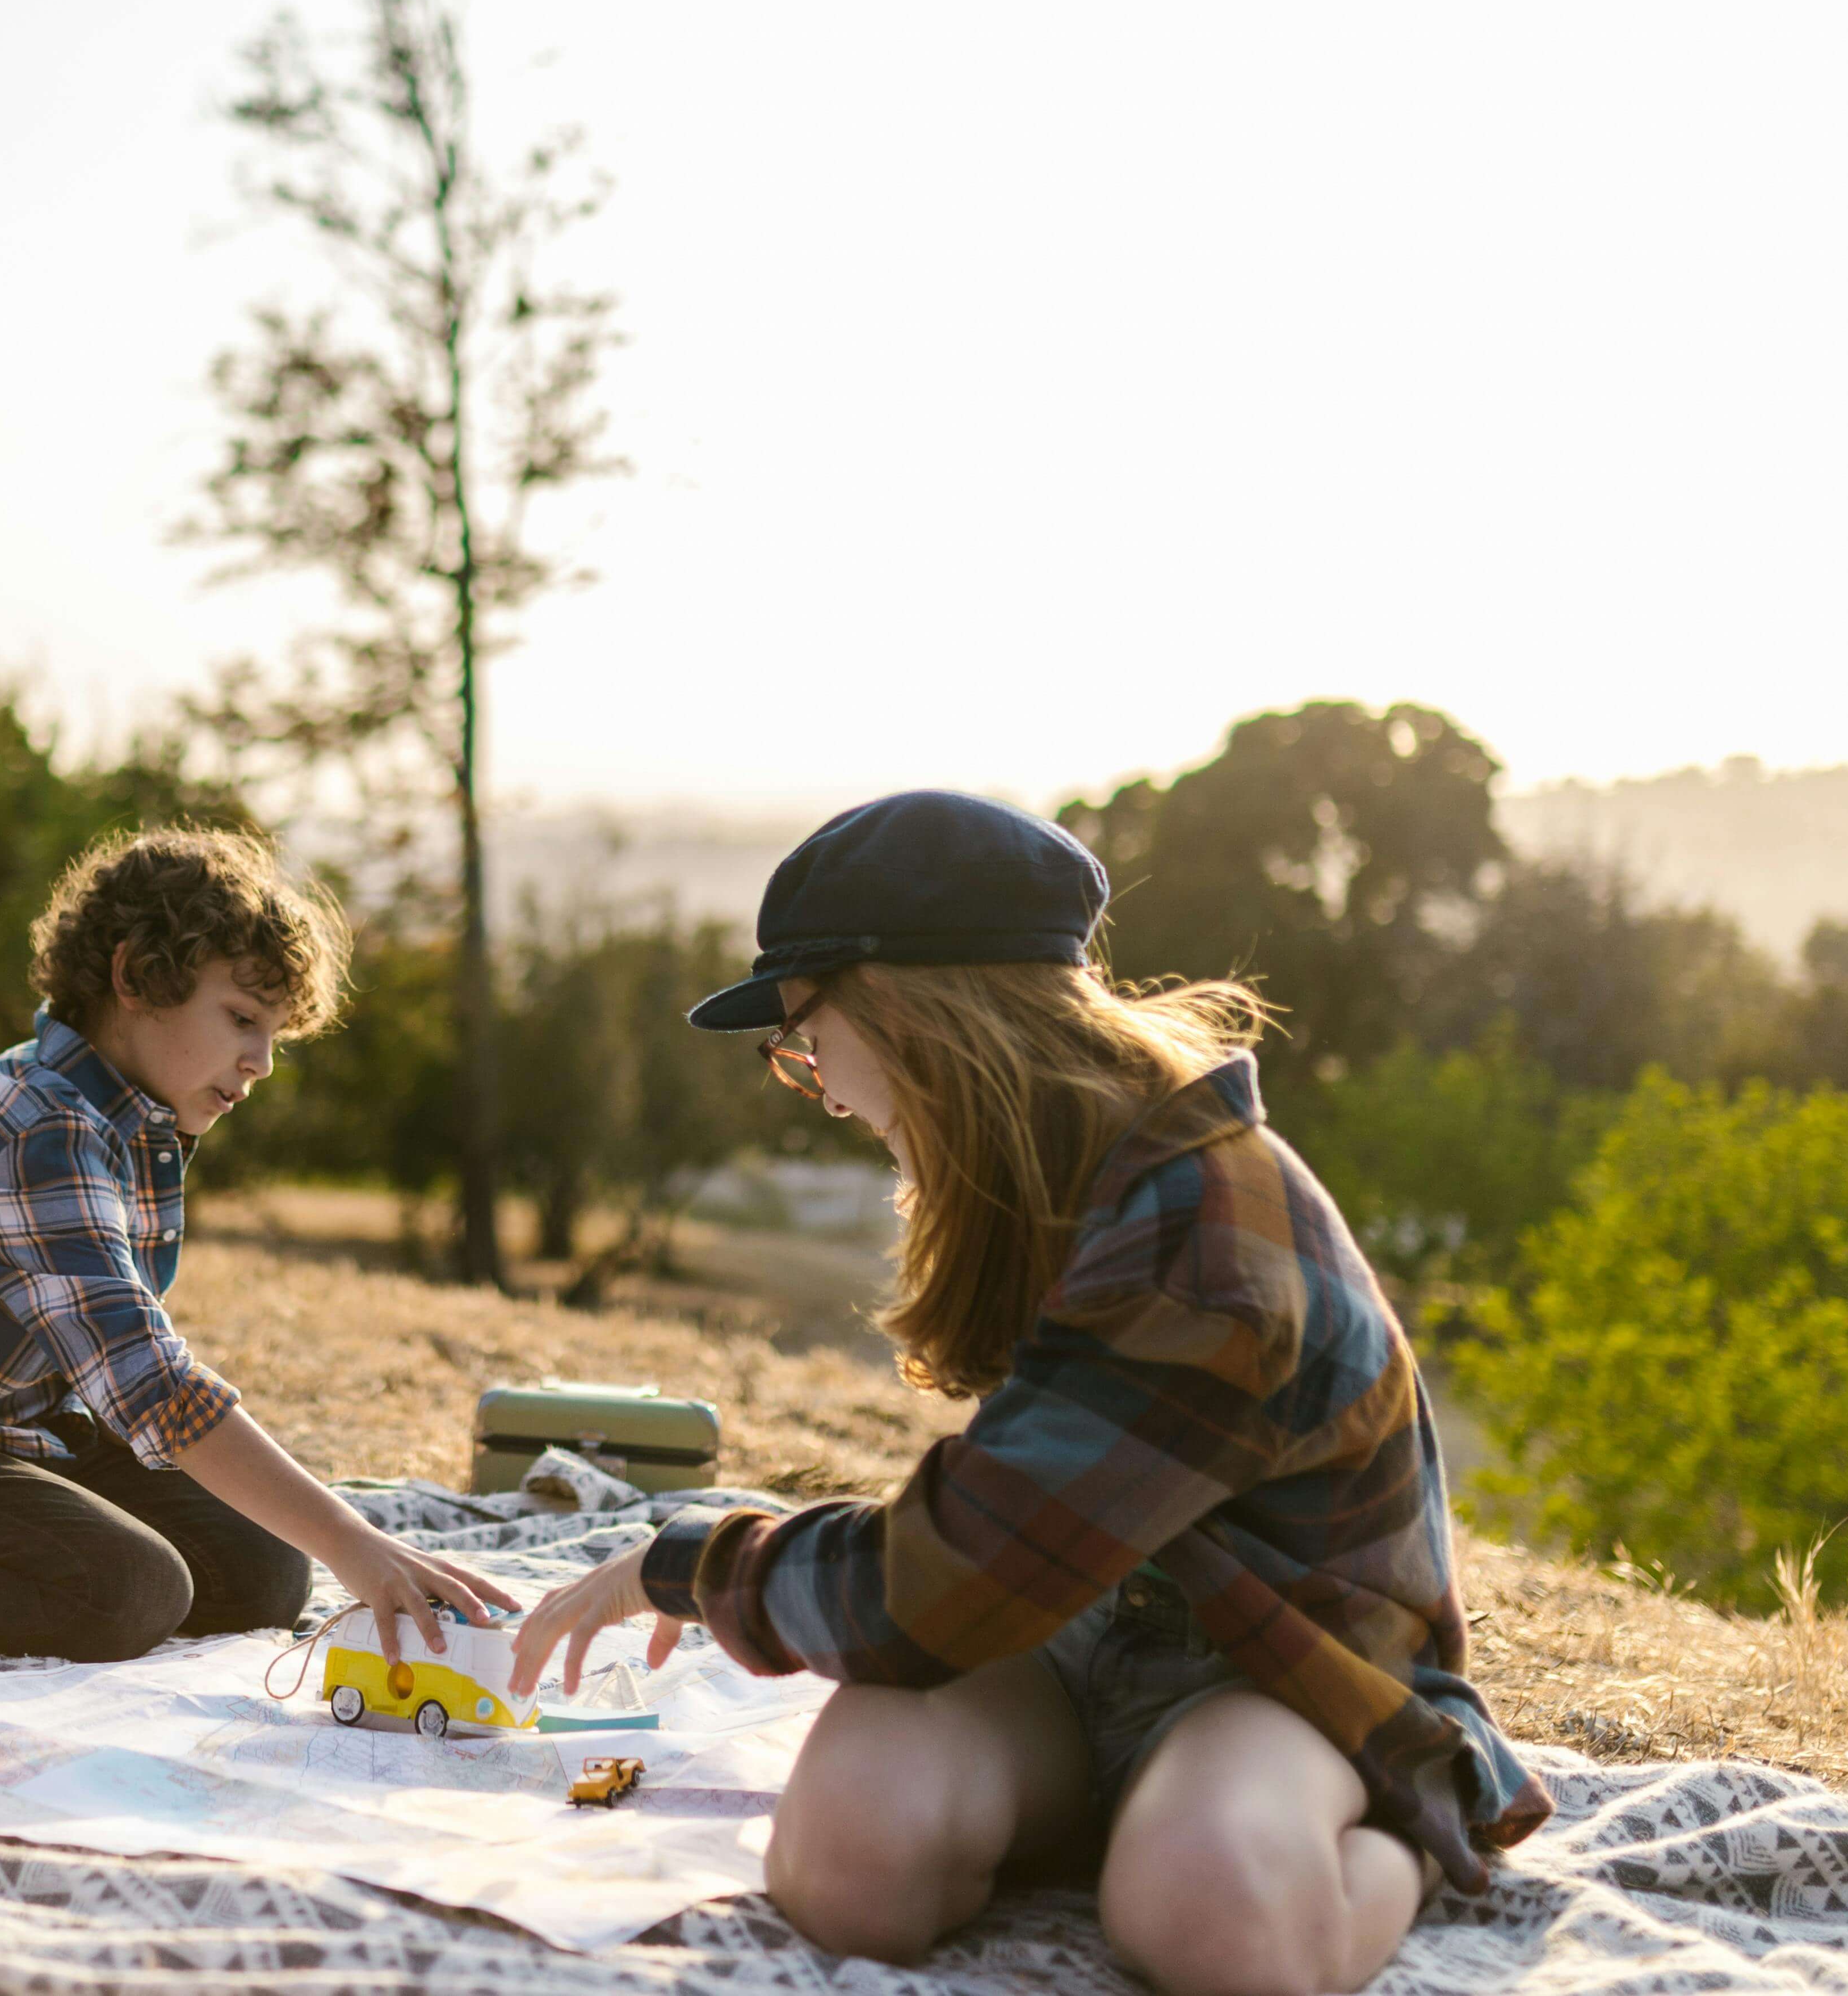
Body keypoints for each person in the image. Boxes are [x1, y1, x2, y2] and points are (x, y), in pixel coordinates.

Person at [506, 791, 1551, 1996]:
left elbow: (946, 1582)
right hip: (1078, 1625)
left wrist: (690, 1562)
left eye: (806, 1037)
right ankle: (1114, 1821)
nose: (823, 1089)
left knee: (1210, 1914)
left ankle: (1414, 1826)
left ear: (907, 1009)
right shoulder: (1064, 1171)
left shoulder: (1201, 1239)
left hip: (1274, 1659)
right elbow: (1002, 1555)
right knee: (848, 1860)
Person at [0, 825, 511, 1664]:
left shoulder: (121, 1118)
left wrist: (329, 1541)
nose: (261, 1063)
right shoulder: (37, 1130)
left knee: (264, 1576)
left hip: (3, 1425)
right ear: (133, 977)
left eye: (273, 1034)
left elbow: (116, 1378)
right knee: (127, 1593)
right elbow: (151, 1385)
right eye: (239, 1019)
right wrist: (357, 1543)